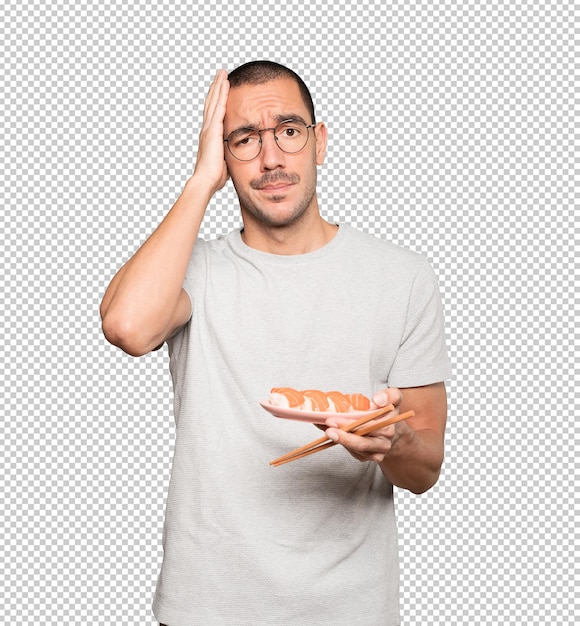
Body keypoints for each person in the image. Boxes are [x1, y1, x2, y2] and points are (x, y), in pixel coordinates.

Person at [100, 60, 451, 626]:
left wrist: (395, 441)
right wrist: (199, 183)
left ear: (320, 143)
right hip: (206, 607)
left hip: (351, 610)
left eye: (289, 131)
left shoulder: (403, 276)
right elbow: (126, 328)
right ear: (222, 156)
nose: (270, 158)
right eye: (244, 140)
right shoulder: (195, 271)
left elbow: (426, 468)